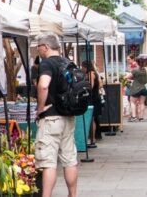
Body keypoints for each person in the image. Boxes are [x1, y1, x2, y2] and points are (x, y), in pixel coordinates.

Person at [34, 33, 77, 197]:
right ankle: (72, 194)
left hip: (51, 118)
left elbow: (43, 85)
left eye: (38, 46)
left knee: (48, 162)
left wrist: (40, 108)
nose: (38, 50)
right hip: (68, 116)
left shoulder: (47, 64)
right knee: (69, 159)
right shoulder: (68, 63)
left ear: (45, 46)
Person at [81, 61, 102, 143]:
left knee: (92, 118)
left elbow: (91, 86)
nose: (82, 69)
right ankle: (93, 138)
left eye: (82, 67)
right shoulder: (93, 73)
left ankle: (93, 139)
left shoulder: (91, 74)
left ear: (86, 67)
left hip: (92, 98)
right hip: (94, 97)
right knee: (92, 118)